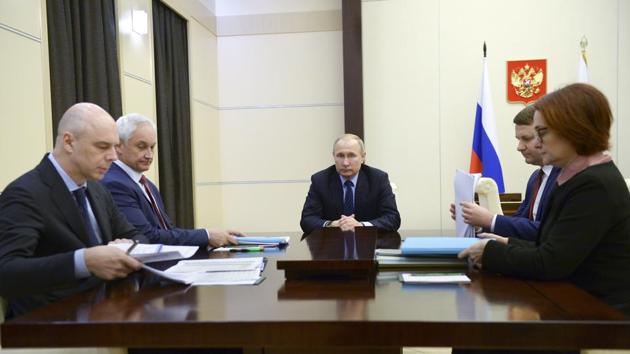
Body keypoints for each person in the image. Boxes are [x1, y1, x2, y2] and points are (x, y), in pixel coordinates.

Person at [459, 83, 630, 317]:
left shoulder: (593, 185)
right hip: (572, 298)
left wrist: (489, 252)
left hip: (597, 313)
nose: (537, 144)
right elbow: (552, 247)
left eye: (542, 133)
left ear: (573, 130)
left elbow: (550, 262)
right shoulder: (578, 177)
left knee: (478, 339)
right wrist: (507, 243)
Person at [0, 103, 144, 318]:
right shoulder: (25, 193)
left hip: (104, 309)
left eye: (115, 147)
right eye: (103, 146)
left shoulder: (96, 188)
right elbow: (6, 272)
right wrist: (83, 261)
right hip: (48, 324)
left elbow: (137, 235)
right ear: (69, 142)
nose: (113, 156)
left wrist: (129, 246)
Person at [102, 113, 242, 247]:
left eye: (152, 147)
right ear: (118, 145)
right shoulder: (115, 184)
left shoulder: (146, 184)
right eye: (142, 146)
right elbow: (147, 236)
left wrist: (214, 235)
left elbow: (168, 230)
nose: (149, 155)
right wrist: (206, 236)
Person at [455, 105, 561, 240]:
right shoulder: (535, 178)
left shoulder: (566, 178)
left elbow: (550, 232)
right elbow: (519, 223)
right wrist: (477, 221)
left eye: (526, 138)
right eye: (518, 139)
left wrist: (491, 220)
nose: (520, 147)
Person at [300, 134, 401, 233]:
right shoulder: (320, 180)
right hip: (332, 243)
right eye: (340, 156)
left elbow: (393, 219)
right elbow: (307, 220)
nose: (345, 163)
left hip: (369, 244)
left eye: (351, 155)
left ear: (362, 157)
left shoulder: (378, 179)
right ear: (333, 156)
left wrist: (361, 225)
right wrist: (331, 224)